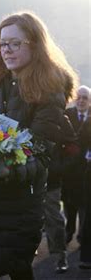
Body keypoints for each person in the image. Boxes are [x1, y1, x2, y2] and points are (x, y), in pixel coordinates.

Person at [0, 12, 79, 280]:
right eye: (2, 44)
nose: (6, 50)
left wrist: (5, 169)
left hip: (19, 206)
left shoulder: (49, 91)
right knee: (17, 271)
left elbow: (40, 153)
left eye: (15, 43)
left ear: (34, 44)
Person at [63, 85, 91, 247]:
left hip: (87, 168)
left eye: (85, 98)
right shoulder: (67, 115)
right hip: (69, 168)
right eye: (79, 97)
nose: (81, 101)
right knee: (69, 202)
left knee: (85, 203)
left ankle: (83, 234)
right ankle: (69, 229)